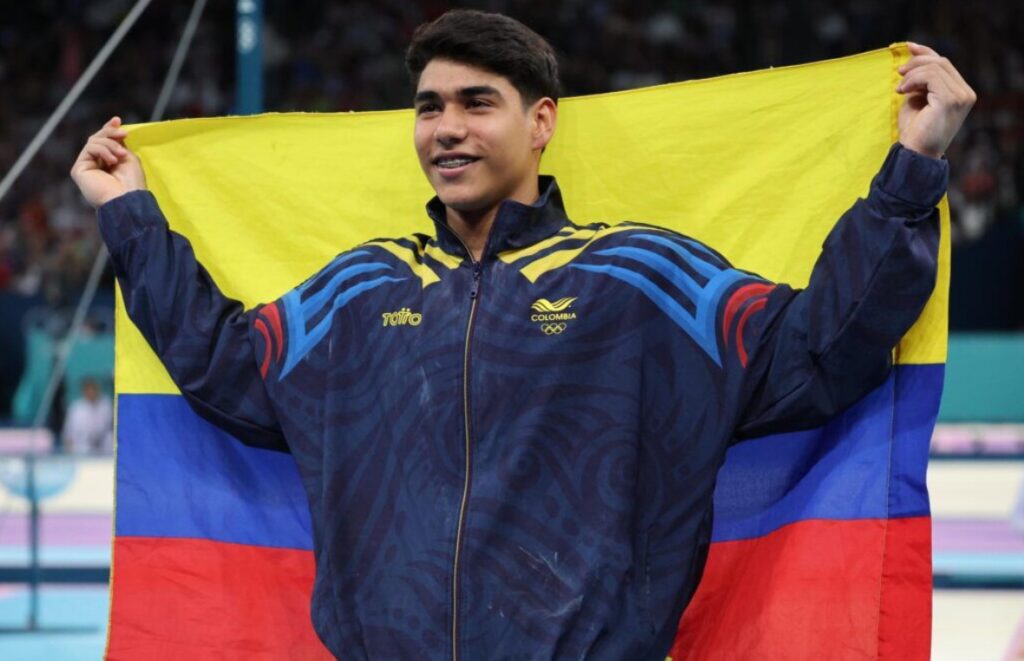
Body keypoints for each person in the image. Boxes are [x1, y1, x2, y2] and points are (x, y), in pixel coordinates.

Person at [70, 9, 974, 660]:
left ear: (542, 122)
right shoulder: (361, 287)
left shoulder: (640, 279)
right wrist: (133, 217)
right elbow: (227, 367)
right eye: (429, 107)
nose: (447, 129)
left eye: (476, 102)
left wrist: (913, 168)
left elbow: (819, 350)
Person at [61, 376, 113, 454]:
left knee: (110, 439)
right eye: (88, 390)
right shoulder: (76, 408)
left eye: (93, 390)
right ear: (84, 392)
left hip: (104, 447)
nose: (91, 393)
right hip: (82, 448)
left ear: (97, 390)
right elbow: (68, 433)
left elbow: (110, 427)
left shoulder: (106, 405)